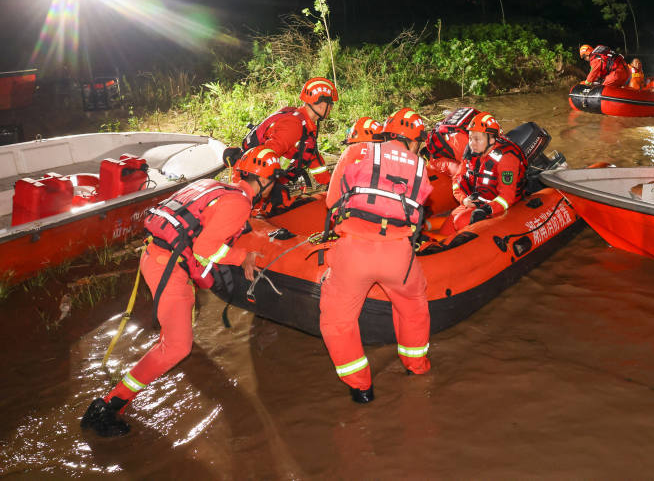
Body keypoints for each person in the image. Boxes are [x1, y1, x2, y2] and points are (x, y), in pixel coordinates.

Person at [80, 147, 281, 437]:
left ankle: (115, 402)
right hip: (169, 268)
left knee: (173, 338)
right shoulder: (238, 205)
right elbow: (204, 249)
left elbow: (196, 228)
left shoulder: (215, 187)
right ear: (265, 181)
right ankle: (109, 407)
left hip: (159, 257)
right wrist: (243, 257)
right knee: (177, 347)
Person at [321, 108, 434, 404]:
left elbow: (332, 201)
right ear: (415, 140)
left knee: (337, 321)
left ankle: (361, 389)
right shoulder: (421, 166)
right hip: (398, 256)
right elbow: (417, 210)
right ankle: (417, 368)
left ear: (386, 133)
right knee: (413, 305)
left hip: (354, 253)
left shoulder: (358, 151)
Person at [241, 76, 337, 213]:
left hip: (269, 181)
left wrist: (331, 183)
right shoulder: (294, 126)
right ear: (321, 104)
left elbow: (311, 157)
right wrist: (268, 191)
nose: (332, 108)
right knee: (283, 202)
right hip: (257, 183)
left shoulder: (305, 125)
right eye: (331, 104)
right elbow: (263, 159)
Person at [442, 111, 528, 234]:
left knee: (460, 222)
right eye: (470, 138)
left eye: (477, 139)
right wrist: (464, 200)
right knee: (446, 230)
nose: (472, 144)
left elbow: (507, 198)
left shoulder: (506, 158)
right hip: (477, 202)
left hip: (499, 208)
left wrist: (487, 210)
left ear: (492, 139)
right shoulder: (471, 152)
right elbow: (457, 179)